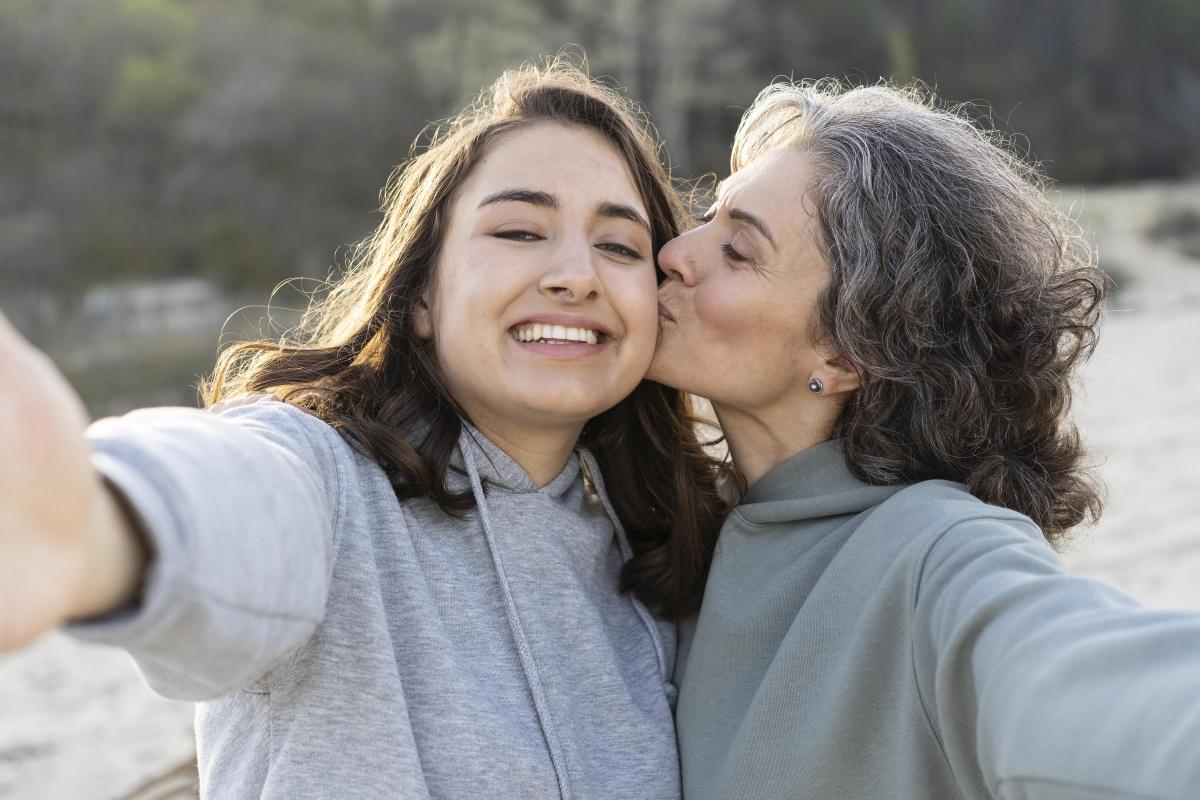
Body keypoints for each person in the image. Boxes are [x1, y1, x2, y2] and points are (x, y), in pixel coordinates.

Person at [0, 60, 728, 799]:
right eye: (518, 229)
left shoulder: (663, 555)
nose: (578, 275)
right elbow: (236, 502)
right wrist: (91, 520)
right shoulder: (331, 487)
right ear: (419, 299)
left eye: (620, 247)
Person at [649, 80, 1200, 799]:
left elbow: (1110, 692)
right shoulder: (676, 529)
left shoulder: (937, 552)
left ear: (846, 355)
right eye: (706, 217)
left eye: (738, 250)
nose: (674, 252)